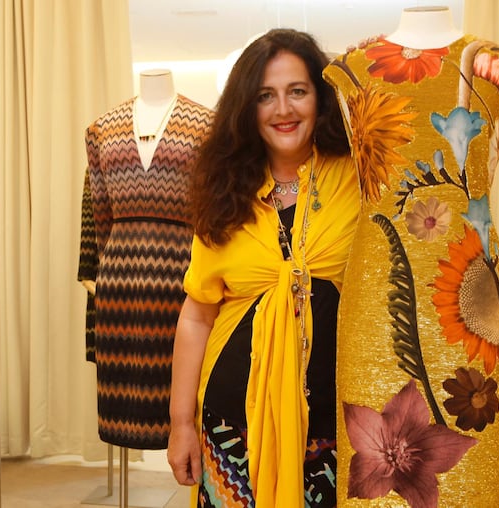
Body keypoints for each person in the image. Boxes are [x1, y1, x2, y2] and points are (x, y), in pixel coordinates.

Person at [323, 6, 499, 507]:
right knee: (376, 478)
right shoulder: (348, 68)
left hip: (475, 301)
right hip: (375, 300)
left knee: (473, 475)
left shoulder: (498, 65)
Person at [167, 29, 360, 507]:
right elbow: (197, 315)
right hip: (232, 429)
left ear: (321, 96)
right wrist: (180, 424)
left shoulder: (360, 178)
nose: (283, 110)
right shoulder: (223, 195)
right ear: (246, 109)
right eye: (265, 96)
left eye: (298, 91)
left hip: (338, 430)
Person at [77, 69, 214, 451]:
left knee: (185, 392)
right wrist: (105, 267)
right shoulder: (101, 129)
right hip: (119, 277)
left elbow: (213, 209)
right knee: (123, 400)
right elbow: (98, 211)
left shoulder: (206, 126)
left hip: (184, 272)